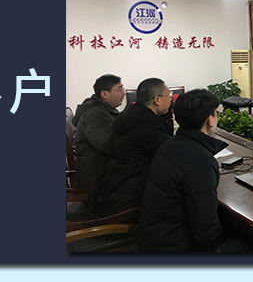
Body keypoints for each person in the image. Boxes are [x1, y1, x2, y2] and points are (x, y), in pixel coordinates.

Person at [138, 89, 228, 252]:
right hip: (174, 247)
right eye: (216, 115)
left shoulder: (169, 145)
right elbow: (206, 229)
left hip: (155, 235)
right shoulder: (199, 159)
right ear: (210, 120)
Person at [88, 78, 174, 219]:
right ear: (157, 100)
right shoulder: (147, 127)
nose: (171, 99)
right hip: (129, 196)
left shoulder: (133, 116)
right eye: (169, 95)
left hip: (117, 185)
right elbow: (173, 152)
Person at [71, 74, 126, 189]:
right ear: (105, 94)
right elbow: (112, 145)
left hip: (103, 171)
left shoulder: (103, 110)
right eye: (119, 89)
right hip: (96, 179)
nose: (124, 94)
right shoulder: (95, 114)